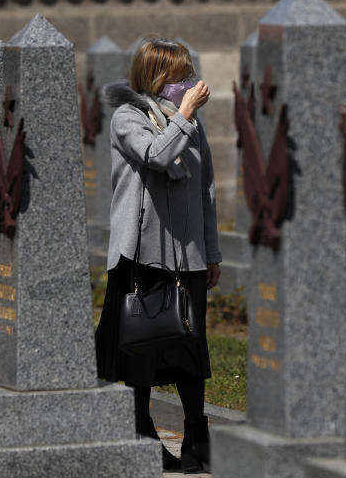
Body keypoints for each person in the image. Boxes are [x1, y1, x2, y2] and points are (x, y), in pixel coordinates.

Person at [95, 36, 222, 473]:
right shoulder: (127, 117)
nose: (187, 83)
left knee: (191, 349)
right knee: (142, 349)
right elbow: (157, 155)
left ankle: (196, 439)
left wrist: (212, 252)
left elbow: (205, 190)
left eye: (189, 75)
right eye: (179, 76)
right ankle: (141, 431)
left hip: (188, 256)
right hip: (142, 258)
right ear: (157, 77)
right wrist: (185, 115)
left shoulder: (192, 125)